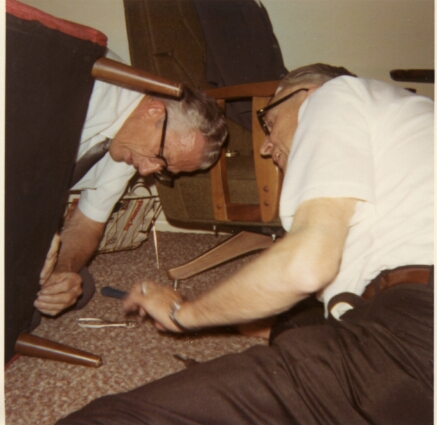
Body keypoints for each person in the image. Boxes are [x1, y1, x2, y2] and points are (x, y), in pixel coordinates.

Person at [56, 64, 433, 424]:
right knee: (298, 328)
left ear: (307, 93)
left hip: (409, 340)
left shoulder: (333, 96)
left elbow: (304, 266)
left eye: (268, 120)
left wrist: (184, 313)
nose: (266, 147)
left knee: (114, 419)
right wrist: (252, 317)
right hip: (395, 341)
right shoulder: (410, 131)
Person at [33, 51, 228, 319]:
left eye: (162, 169)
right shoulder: (89, 87)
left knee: (78, 288)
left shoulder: (131, 146)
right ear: (153, 111)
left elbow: (87, 224)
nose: (145, 171)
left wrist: (62, 271)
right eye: (160, 156)